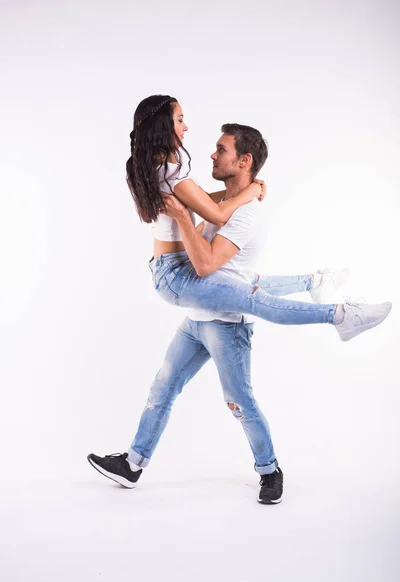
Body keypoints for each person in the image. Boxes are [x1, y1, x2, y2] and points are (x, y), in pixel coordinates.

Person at [87, 117, 389, 503]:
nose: (212, 153)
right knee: (162, 388)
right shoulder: (230, 203)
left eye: (222, 149)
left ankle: (270, 469)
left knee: (240, 401)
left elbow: (206, 265)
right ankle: (133, 463)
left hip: (227, 325)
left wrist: (182, 217)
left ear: (244, 160)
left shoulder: (247, 214)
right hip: (197, 318)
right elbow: (213, 212)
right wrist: (198, 206)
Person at [126, 94, 391, 341]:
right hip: (176, 274)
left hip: (171, 268)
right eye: (180, 120)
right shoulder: (173, 177)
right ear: (163, 126)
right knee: (254, 298)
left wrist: (241, 193)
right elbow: (216, 215)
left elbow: (203, 198)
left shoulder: (161, 169)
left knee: (250, 281)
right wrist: (250, 191)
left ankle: (318, 282)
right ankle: (341, 315)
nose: (186, 127)